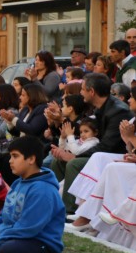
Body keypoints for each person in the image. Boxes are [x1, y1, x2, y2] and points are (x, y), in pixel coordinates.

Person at [51, 73, 132, 213]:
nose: (81, 92)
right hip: (99, 153)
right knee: (57, 161)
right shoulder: (101, 107)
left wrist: (75, 157)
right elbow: (82, 129)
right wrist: (60, 121)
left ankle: (69, 210)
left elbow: (107, 146)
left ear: (92, 92)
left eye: (83, 89)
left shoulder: (118, 111)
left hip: (116, 156)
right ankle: (53, 203)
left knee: (73, 164)